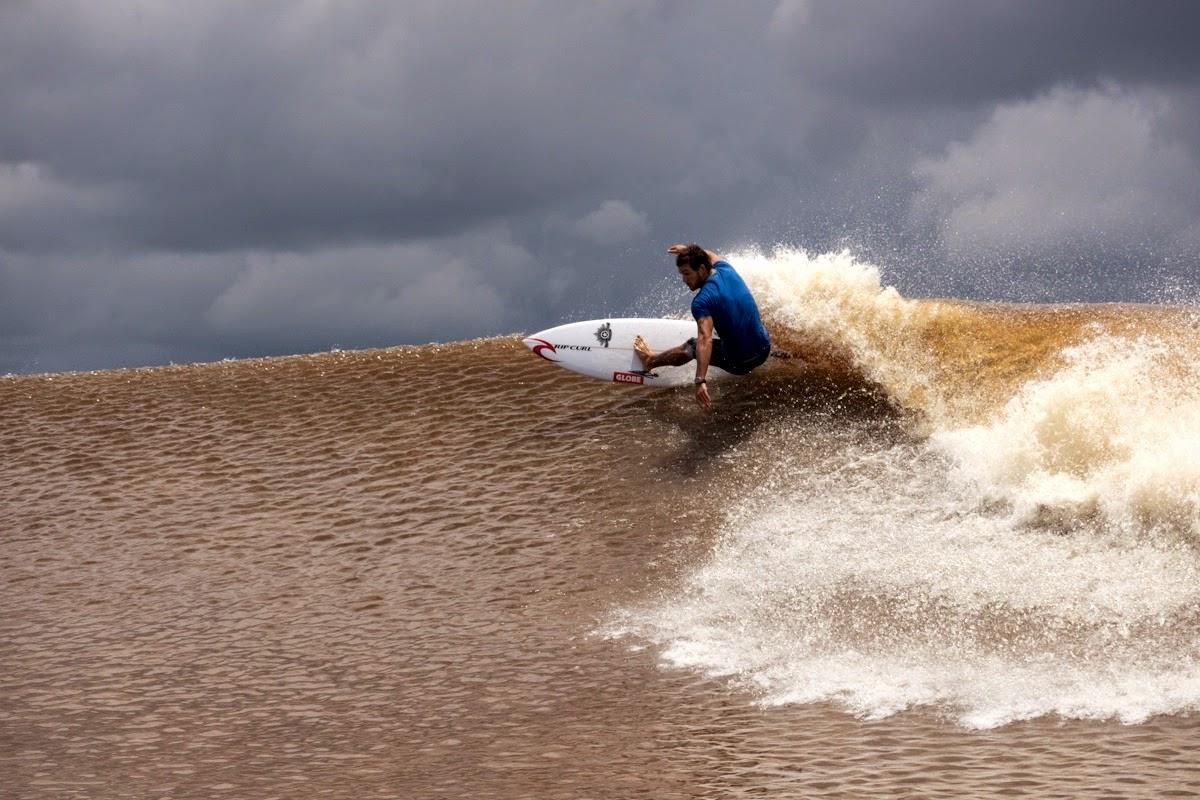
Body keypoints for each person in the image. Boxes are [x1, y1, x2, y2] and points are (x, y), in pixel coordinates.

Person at [634, 244, 771, 410]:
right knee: (754, 318)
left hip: (741, 363)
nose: (684, 280)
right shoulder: (726, 269)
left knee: (692, 345)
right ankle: (776, 354)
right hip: (764, 349)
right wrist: (688, 250)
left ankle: (649, 361)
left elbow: (705, 339)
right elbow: (710, 254)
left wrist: (700, 380)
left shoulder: (702, 301)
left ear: (701, 269)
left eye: (686, 274)